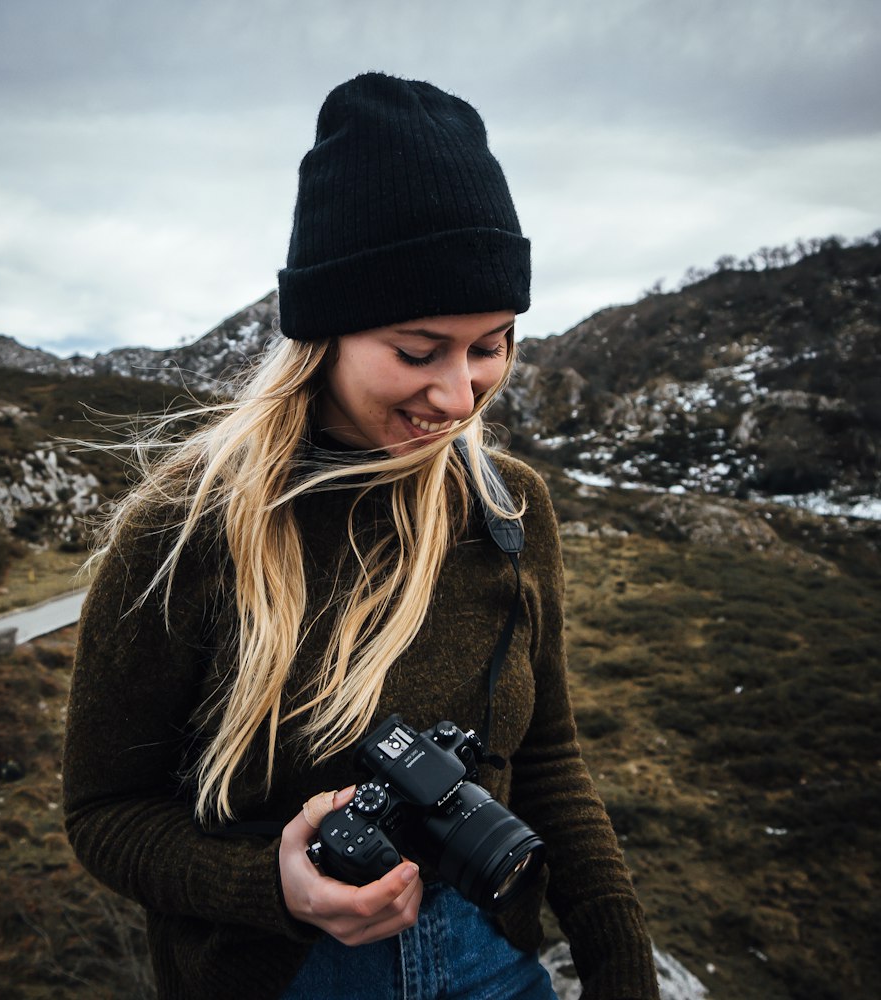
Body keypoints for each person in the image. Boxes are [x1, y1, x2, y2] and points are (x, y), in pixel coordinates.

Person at [63, 72, 660, 1000]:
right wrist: (273, 886)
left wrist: (624, 975)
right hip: (279, 976)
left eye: (493, 343)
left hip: (494, 961)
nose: (461, 396)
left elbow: (547, 761)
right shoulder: (184, 531)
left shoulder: (510, 510)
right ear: (323, 333)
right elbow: (105, 813)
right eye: (419, 352)